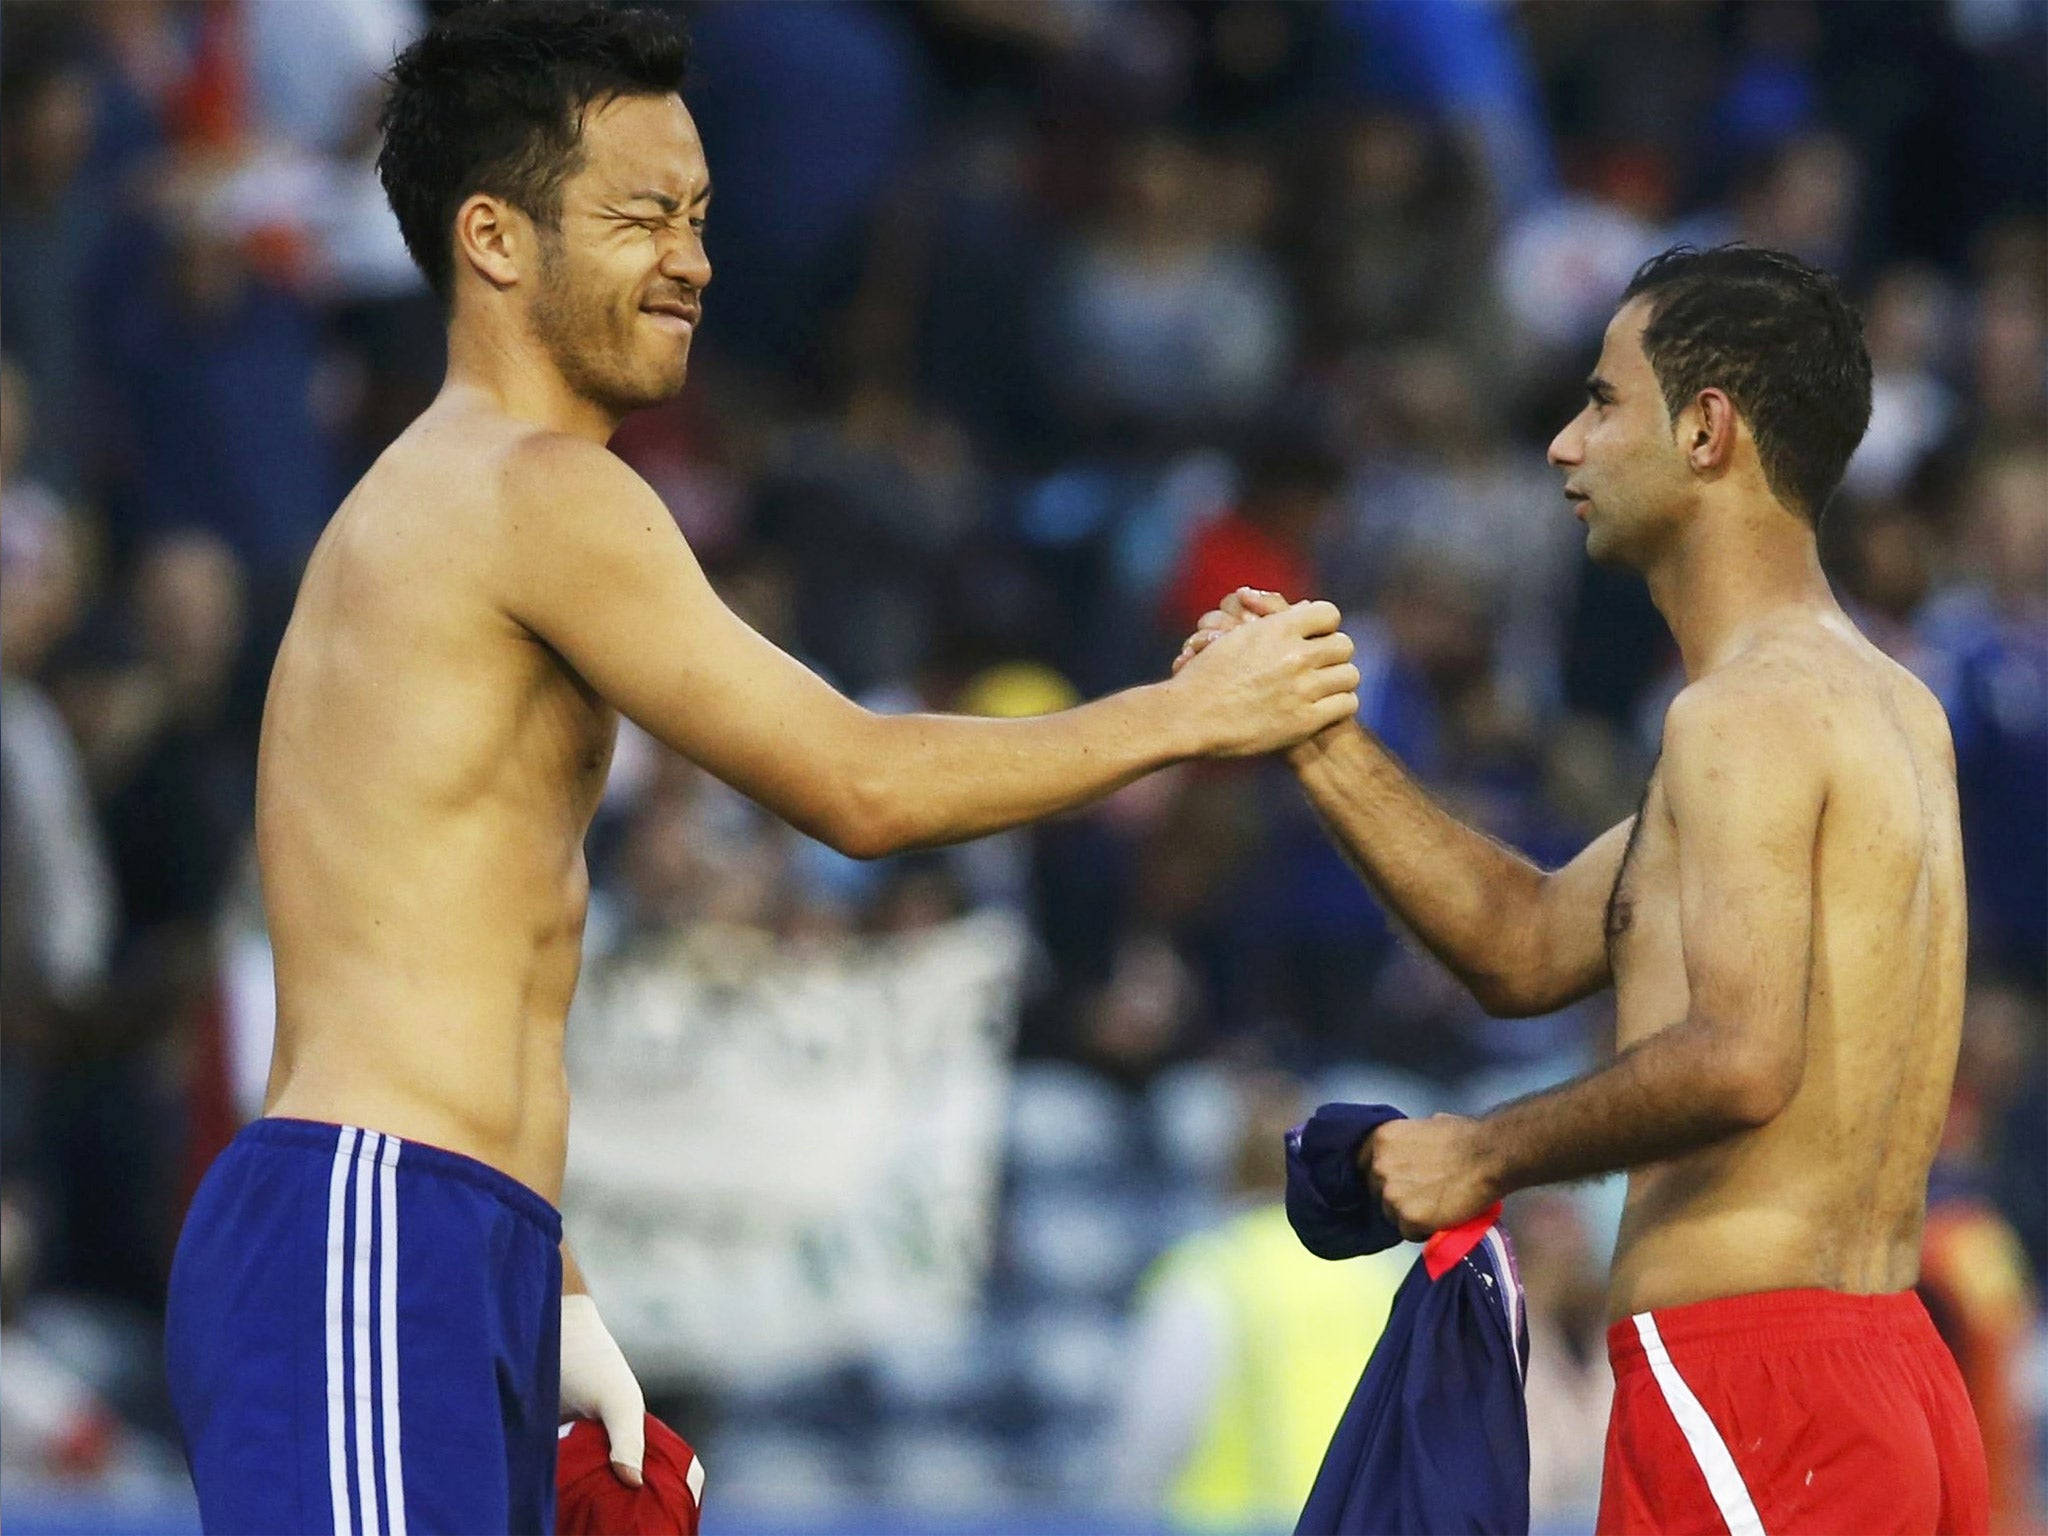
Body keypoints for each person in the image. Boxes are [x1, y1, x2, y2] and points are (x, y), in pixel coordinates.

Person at [159, 6, 1364, 1532]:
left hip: (450, 1234)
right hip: (376, 1230)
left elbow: (438, 936)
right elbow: (858, 784)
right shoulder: (530, 491)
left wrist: (556, 1280)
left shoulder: (460, 500)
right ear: (495, 240)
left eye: (704, 217)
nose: (696, 260)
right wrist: (1193, 713)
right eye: (643, 216)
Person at [1181, 245, 1990, 1534]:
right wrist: (1316, 739)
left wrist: (1478, 1152)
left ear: (1707, 429)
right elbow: (1525, 944)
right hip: (1888, 1381)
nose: (1565, 445)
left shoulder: (1742, 717)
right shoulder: (1882, 705)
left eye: (1604, 401)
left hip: (1755, 1387)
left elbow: (1738, 1061)